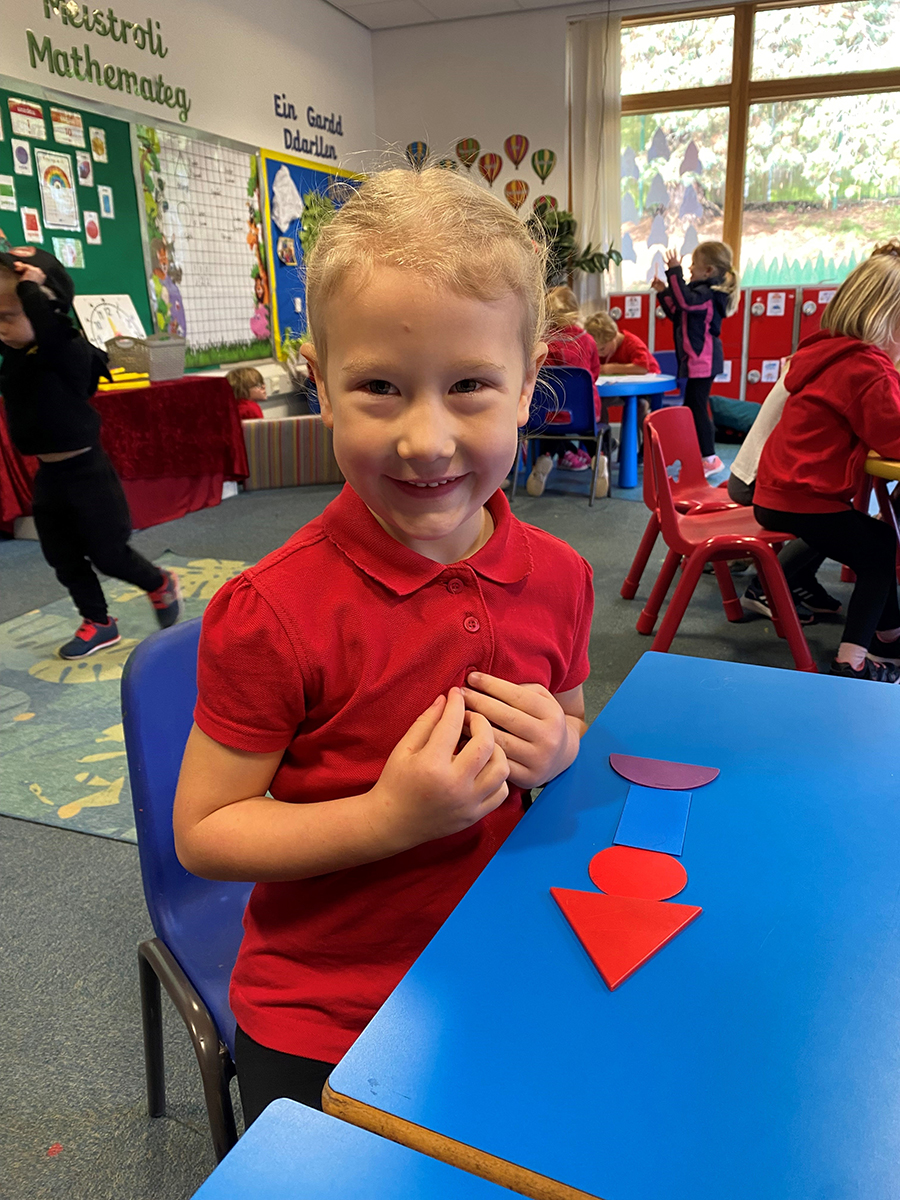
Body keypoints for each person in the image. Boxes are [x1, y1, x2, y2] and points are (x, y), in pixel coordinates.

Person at [172, 166, 594, 1124]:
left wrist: (560, 746)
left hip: (502, 959)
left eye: (470, 385)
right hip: (328, 1011)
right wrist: (389, 818)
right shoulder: (271, 612)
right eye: (379, 388)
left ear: (530, 386)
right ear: (321, 385)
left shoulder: (563, 576)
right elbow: (205, 831)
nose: (426, 440)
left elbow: (572, 718)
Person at [0, 250, 182, 659]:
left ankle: (158, 582)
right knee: (62, 556)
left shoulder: (67, 350)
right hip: (49, 477)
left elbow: (50, 330)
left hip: (88, 474)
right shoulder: (15, 354)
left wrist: (34, 289)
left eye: (10, 316)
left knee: (108, 554)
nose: (2, 328)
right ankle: (98, 621)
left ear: (45, 304)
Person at [754, 242, 900, 682]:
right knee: (879, 549)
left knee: (874, 538)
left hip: (776, 491)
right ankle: (851, 662)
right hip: (805, 497)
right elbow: (894, 438)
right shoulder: (867, 368)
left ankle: (888, 636)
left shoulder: (826, 353)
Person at [727, 364, 843, 625]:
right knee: (835, 517)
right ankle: (766, 586)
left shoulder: (819, 359)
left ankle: (798, 577)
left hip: (763, 472)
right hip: (759, 480)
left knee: (838, 508)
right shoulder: (838, 367)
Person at [652, 241, 739, 478]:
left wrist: (674, 271)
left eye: (693, 265)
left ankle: (710, 458)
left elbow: (685, 301)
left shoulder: (708, 295)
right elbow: (678, 313)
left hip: (704, 359)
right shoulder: (698, 293)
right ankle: (700, 455)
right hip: (697, 360)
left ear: (708, 270)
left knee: (697, 408)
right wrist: (663, 292)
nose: (690, 269)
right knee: (692, 407)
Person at [526, 285, 605, 497]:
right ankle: (599, 459)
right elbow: (594, 374)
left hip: (548, 414)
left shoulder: (543, 344)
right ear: (575, 311)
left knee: (553, 427)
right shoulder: (587, 340)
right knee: (588, 430)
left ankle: (545, 457)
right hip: (584, 413)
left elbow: (537, 376)